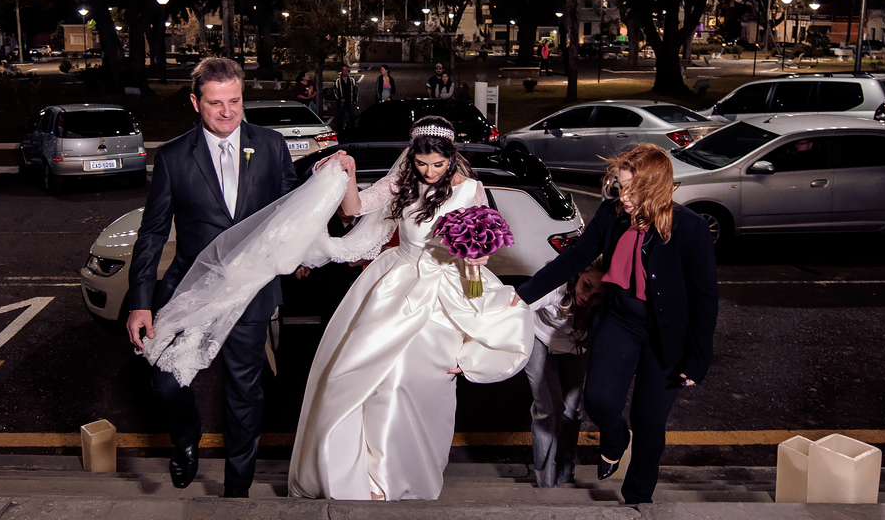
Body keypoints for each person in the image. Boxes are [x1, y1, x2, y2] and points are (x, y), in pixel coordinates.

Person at [289, 117, 533, 501]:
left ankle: (408, 475)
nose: (429, 172)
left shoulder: (471, 190)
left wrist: (477, 269)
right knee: (369, 378)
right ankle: (372, 480)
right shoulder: (401, 182)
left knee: (416, 386)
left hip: (444, 295)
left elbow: (477, 254)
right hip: (395, 287)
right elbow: (355, 207)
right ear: (412, 156)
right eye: (422, 163)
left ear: (451, 158)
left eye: (438, 164)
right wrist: (349, 172)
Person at [125, 57, 297, 497]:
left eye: (234, 101)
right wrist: (141, 303)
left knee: (244, 394)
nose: (227, 112)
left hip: (250, 292)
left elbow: (292, 213)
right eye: (216, 103)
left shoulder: (272, 145)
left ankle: (237, 491)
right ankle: (186, 435)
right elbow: (152, 234)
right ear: (195, 102)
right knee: (165, 379)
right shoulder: (172, 157)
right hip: (190, 290)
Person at [513, 143, 718, 504]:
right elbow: (575, 257)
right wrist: (524, 294)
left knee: (649, 421)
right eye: (621, 187)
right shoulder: (612, 215)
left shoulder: (691, 228)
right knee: (599, 400)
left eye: (632, 190)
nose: (623, 197)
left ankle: (638, 499)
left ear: (655, 188)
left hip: (666, 335)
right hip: (621, 321)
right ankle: (615, 438)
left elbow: (705, 299)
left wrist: (698, 358)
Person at [525, 265, 604, 488]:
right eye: (586, 286)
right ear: (579, 274)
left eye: (597, 295)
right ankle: (546, 484)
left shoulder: (604, 304)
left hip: (576, 347)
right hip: (539, 339)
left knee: (572, 411)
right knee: (548, 410)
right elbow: (518, 305)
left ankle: (565, 476)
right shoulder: (556, 286)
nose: (588, 297)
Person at [334, 64, 359, 130]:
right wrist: (339, 99)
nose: (345, 71)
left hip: (350, 102)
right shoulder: (338, 80)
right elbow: (335, 91)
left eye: (346, 70)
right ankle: (340, 130)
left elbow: (355, 90)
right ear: (341, 71)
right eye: (343, 70)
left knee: (352, 116)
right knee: (340, 116)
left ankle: (351, 128)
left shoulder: (352, 80)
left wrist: (355, 100)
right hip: (342, 103)